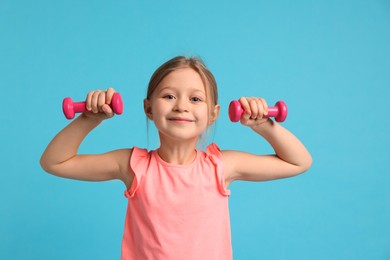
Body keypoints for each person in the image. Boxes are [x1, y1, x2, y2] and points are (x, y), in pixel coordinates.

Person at [40, 56, 312, 259]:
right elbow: (54, 161)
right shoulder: (134, 166)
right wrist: (89, 119)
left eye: (195, 99)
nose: (181, 105)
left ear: (213, 114)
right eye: (169, 96)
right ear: (148, 108)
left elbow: (298, 161)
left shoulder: (220, 167)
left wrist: (262, 124)